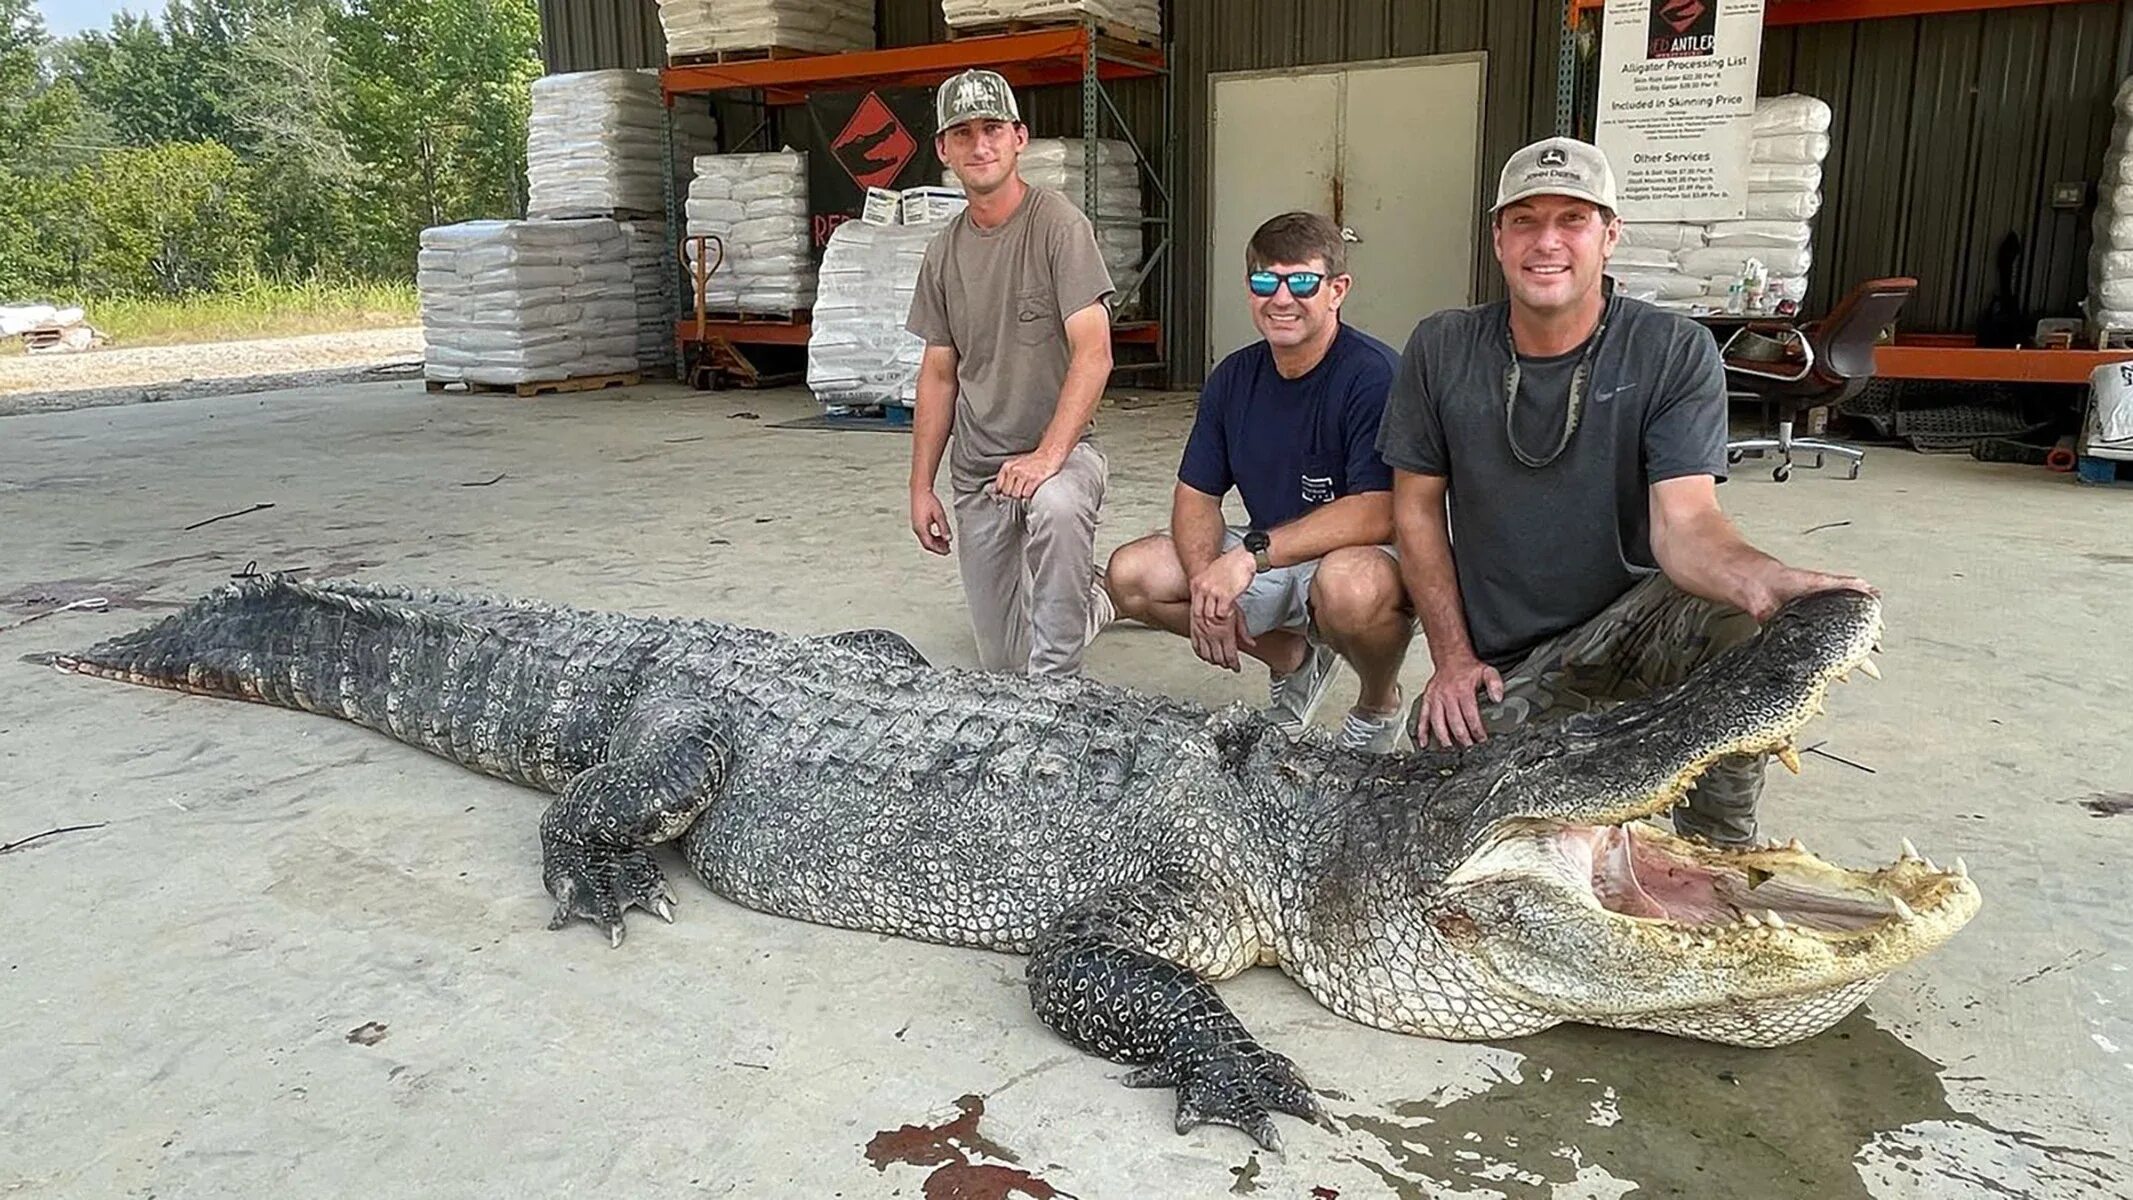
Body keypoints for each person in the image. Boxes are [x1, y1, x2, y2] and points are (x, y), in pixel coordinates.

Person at [1374, 137, 1872, 845]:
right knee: (1438, 802)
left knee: (1731, 623)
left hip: (1637, 627)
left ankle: (1715, 853)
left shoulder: (1670, 351)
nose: (1546, 242)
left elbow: (1686, 522)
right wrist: (1451, 658)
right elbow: (1416, 511)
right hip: (1518, 659)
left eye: (1571, 220)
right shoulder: (1442, 346)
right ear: (1496, 237)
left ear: (1609, 235)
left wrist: (1762, 581)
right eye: (1524, 220)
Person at [1098, 211, 1413, 751]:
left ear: (1338, 290)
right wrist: (1206, 586)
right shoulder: (1234, 378)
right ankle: (1289, 656)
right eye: (1266, 281)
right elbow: (1196, 496)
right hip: (1269, 550)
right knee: (1131, 575)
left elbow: (1379, 509)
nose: (1281, 298)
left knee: (1348, 590)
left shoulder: (1374, 376)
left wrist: (1249, 558)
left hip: (1362, 555)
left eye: (1303, 282)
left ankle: (1379, 703)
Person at [904, 68, 1117, 679]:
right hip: (980, 473)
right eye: (962, 133)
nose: (980, 145)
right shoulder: (943, 253)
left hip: (1062, 455)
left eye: (993, 128)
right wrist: (922, 487)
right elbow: (939, 375)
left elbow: (1094, 352)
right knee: (1002, 663)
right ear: (943, 149)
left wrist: (1050, 456)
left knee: (1054, 506)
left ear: (1019, 137)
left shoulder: (1059, 228)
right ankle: (1092, 601)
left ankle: (1059, 694)